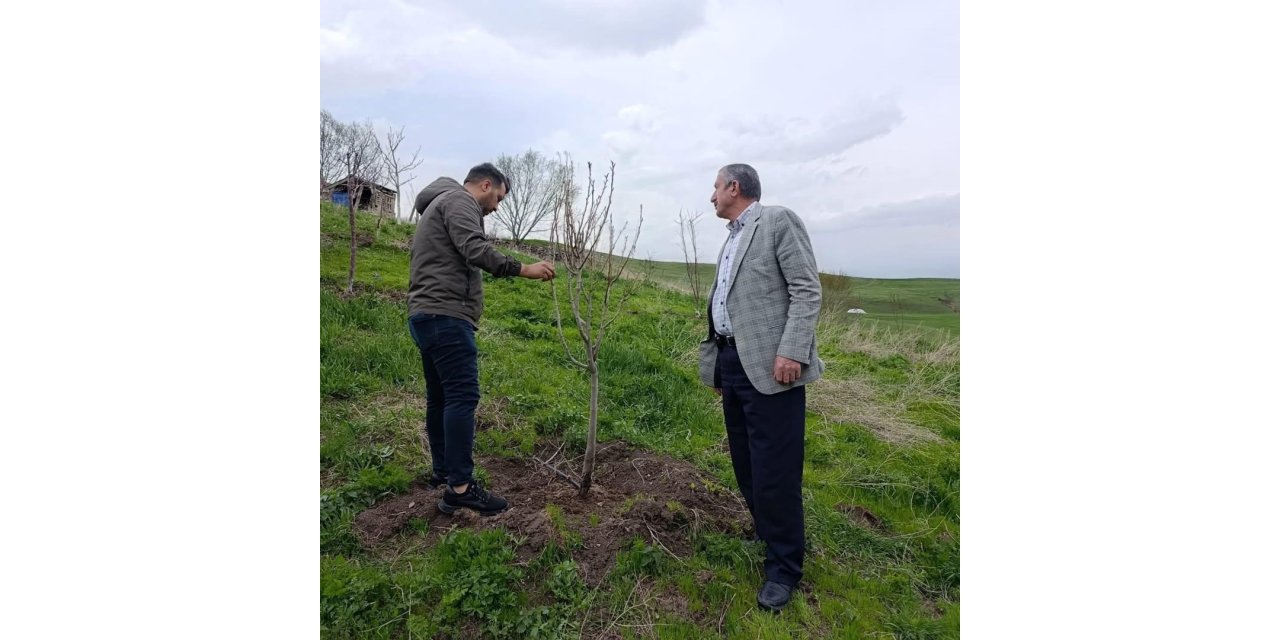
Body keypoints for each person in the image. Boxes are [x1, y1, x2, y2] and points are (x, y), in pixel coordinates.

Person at [698, 163, 824, 612]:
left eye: (716, 187)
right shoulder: (731, 238)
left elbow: (806, 290)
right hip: (733, 363)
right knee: (746, 463)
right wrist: (717, 366)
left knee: (775, 470)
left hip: (774, 368)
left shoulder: (777, 221)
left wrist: (792, 350)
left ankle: (784, 567)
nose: (712, 196)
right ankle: (767, 532)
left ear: (734, 187)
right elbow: (725, 302)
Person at [407, 162, 556, 516]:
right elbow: (475, 248)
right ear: (486, 185)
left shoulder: (439, 203)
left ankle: (444, 473)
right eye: (499, 198)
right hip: (446, 315)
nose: (497, 207)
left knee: (441, 398)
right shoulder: (459, 201)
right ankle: (460, 488)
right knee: (462, 396)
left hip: (426, 313)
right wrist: (524, 269)